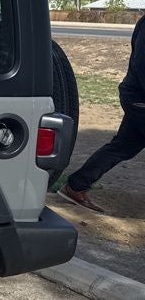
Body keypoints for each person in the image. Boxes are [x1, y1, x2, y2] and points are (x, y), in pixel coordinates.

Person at [60, 12, 145, 213]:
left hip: (137, 96)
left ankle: (76, 186)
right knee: (121, 147)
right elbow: (142, 68)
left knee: (122, 147)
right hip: (139, 98)